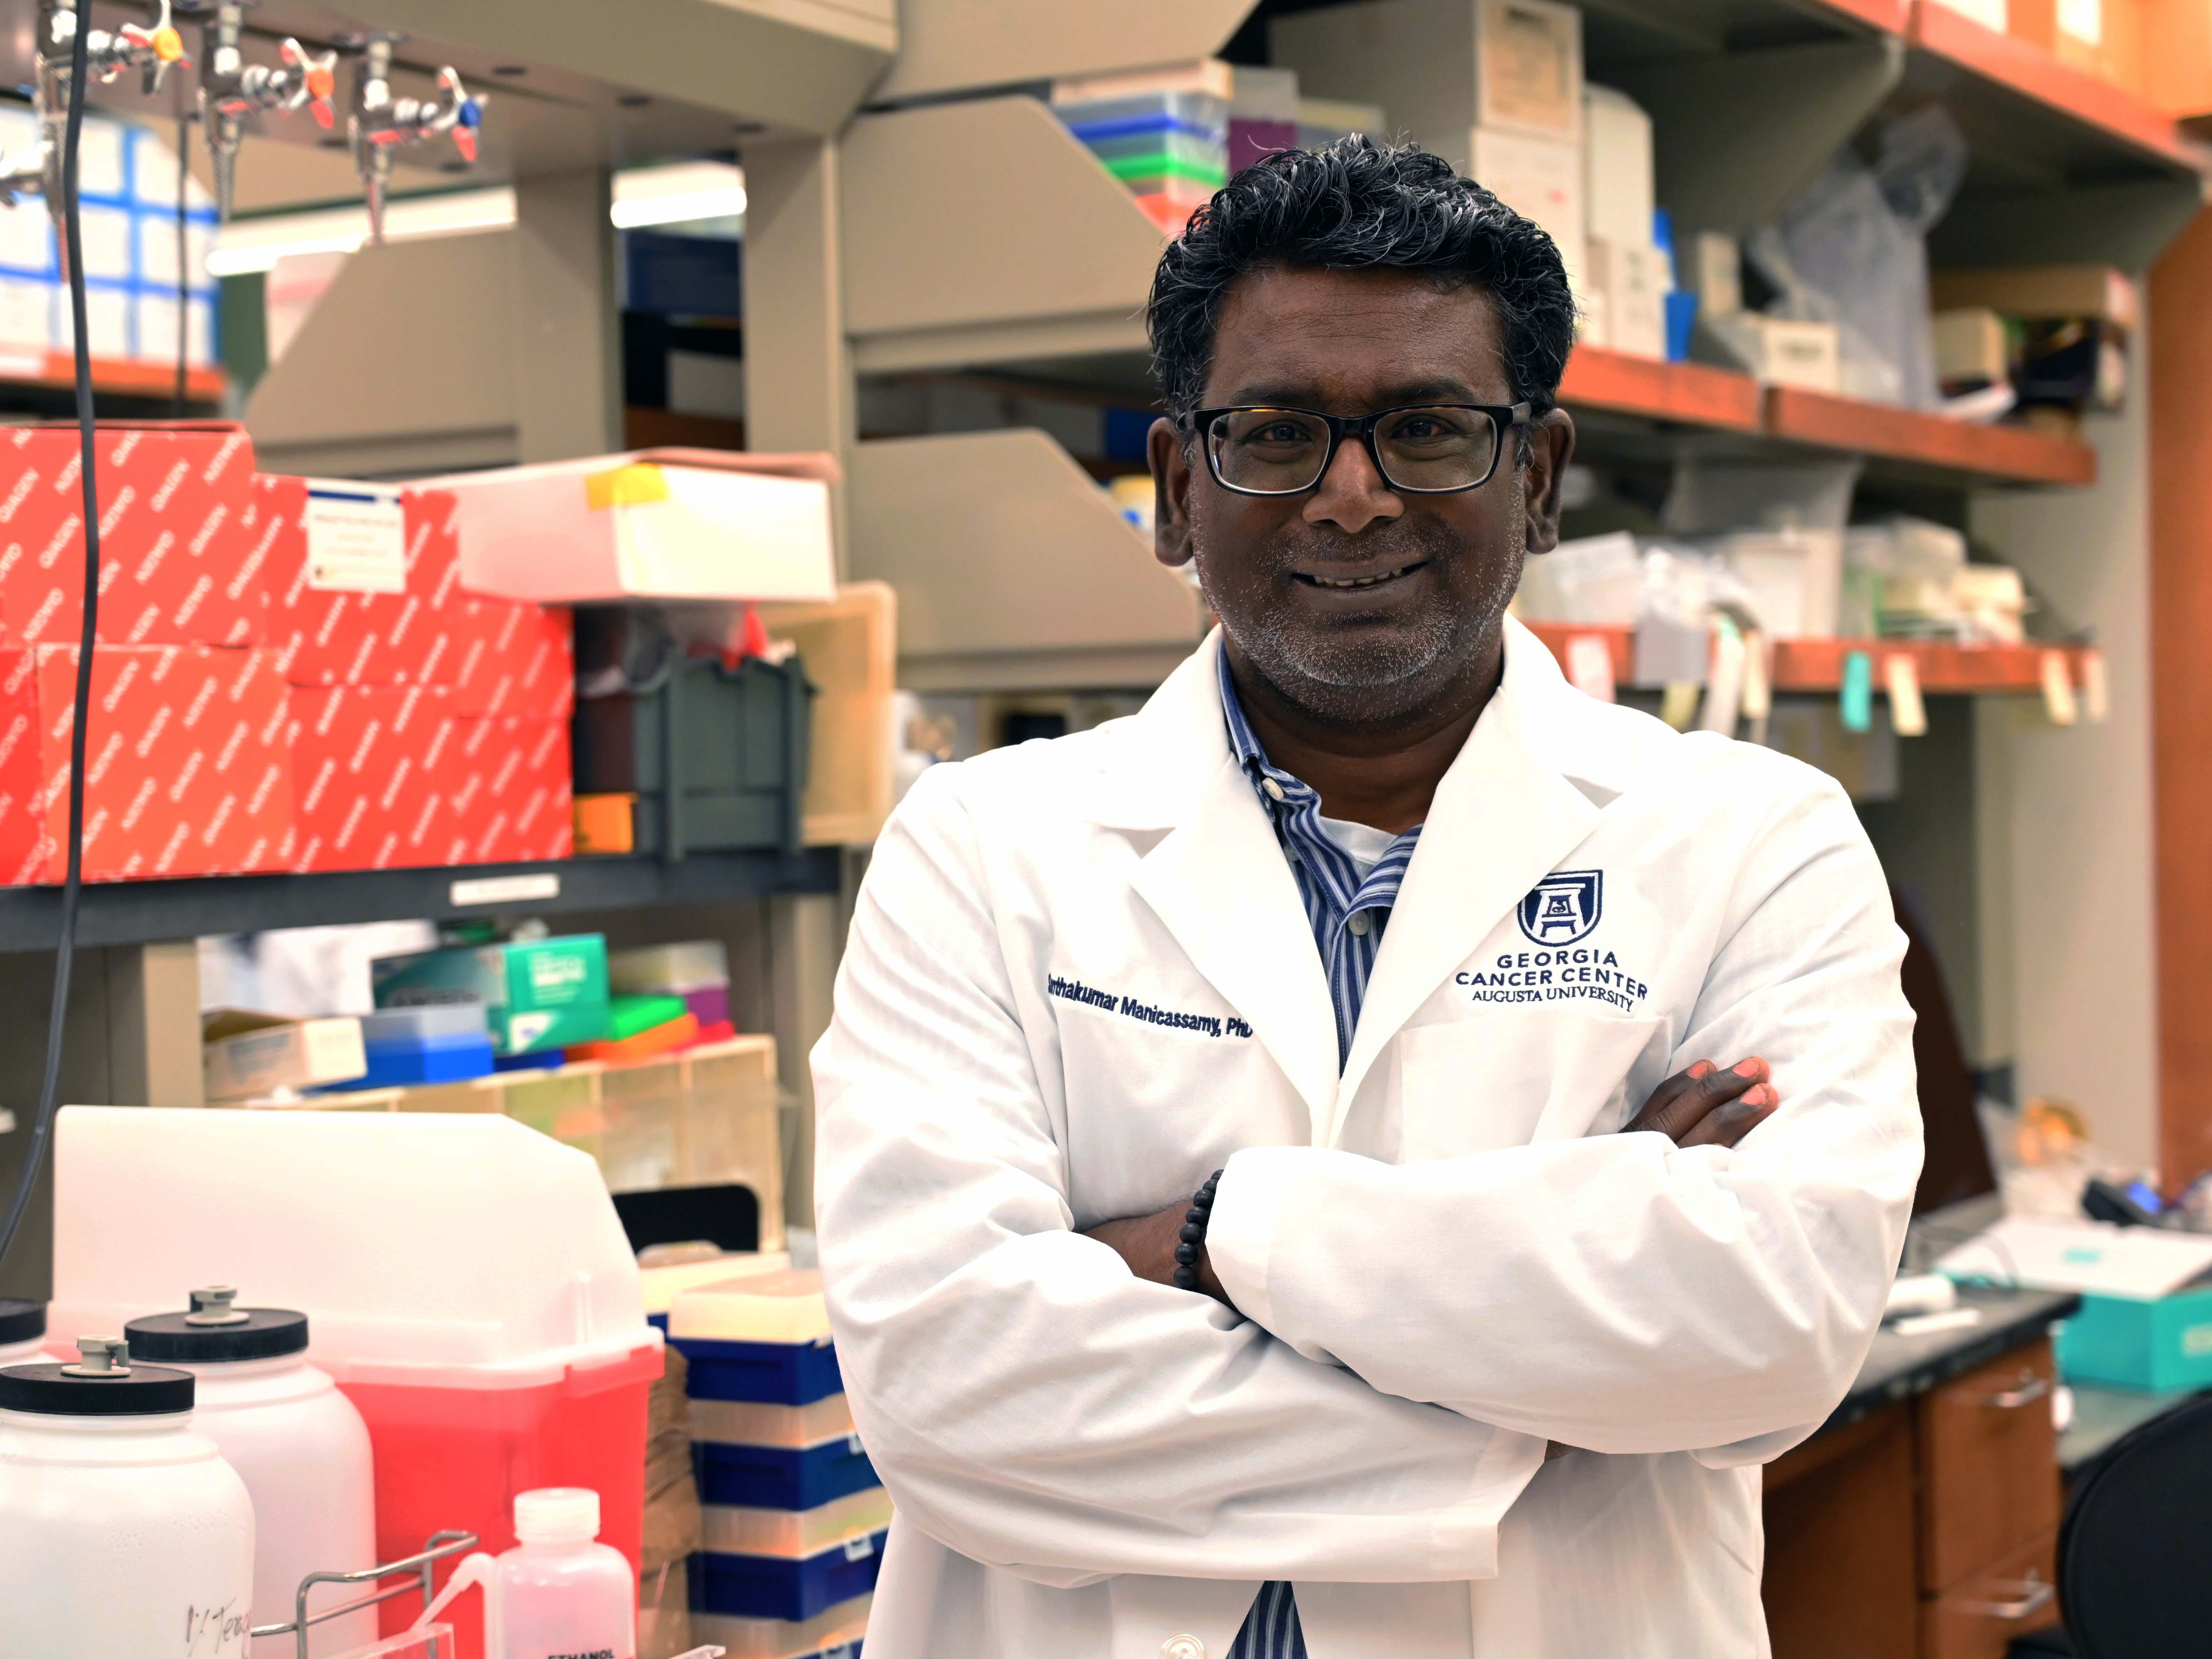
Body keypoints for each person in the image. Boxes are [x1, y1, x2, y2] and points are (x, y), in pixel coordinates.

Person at [811, 139, 1922, 1659]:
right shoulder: (976, 848)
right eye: (1274, 433)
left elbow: (1771, 1331)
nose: (1349, 498)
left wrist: (1213, 1232)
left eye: (1427, 429)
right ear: (1173, 492)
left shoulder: (1752, 842)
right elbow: (945, 1392)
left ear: (1535, 480)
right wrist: (1559, 1380)